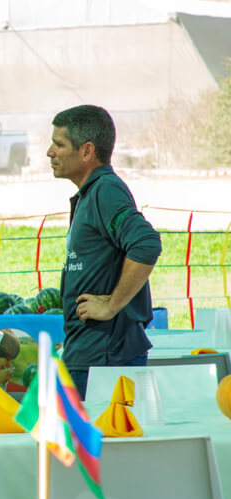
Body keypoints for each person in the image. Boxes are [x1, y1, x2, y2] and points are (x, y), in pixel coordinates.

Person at [47, 105, 161, 399]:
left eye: (59, 144)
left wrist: (111, 305)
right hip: (88, 352)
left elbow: (146, 243)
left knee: (99, 446)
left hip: (104, 358)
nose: (50, 152)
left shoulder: (105, 191)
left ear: (86, 151)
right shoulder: (91, 193)